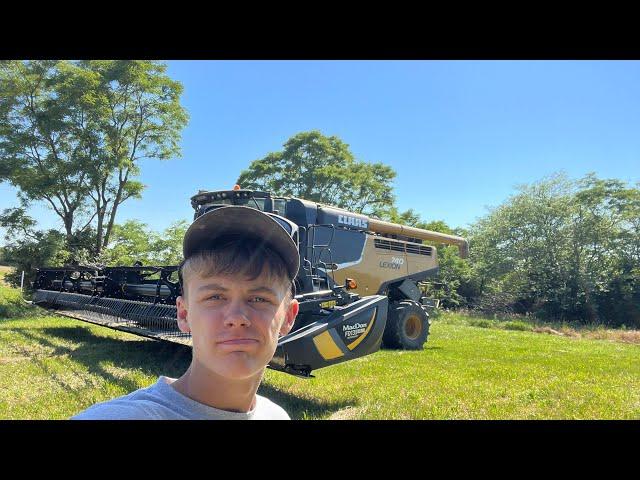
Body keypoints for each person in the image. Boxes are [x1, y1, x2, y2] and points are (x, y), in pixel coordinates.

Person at [72, 205, 300, 420]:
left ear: (288, 317)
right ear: (183, 314)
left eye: (259, 299)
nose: (237, 318)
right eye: (215, 297)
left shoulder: (276, 415)